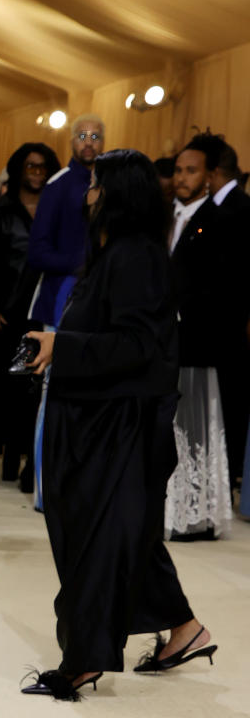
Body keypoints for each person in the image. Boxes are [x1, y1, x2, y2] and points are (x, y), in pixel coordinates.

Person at [21, 150, 215, 701]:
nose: (87, 196)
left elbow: (137, 346)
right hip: (101, 420)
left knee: (100, 542)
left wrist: (63, 345)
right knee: (127, 537)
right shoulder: (119, 253)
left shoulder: (136, 258)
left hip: (119, 427)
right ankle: (185, 630)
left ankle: (82, 662)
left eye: (94, 186)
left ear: (117, 195)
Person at [0, 142, 60, 490]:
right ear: (19, 169)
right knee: (11, 387)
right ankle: (9, 459)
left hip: (47, 314)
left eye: (42, 166)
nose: (36, 173)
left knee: (39, 388)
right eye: (30, 166)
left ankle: (32, 464)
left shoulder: (58, 210)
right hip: (12, 314)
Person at [28, 114, 105, 508]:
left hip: (97, 304)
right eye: (81, 136)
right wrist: (80, 263)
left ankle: (79, 484)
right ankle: (47, 488)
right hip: (60, 300)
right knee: (52, 392)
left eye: (95, 136)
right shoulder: (59, 186)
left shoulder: (108, 183)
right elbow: (37, 250)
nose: (88, 142)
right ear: (70, 141)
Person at [164, 142, 231, 539]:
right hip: (168, 338)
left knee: (196, 426)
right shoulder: (168, 215)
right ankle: (172, 507)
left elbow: (218, 285)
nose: (182, 177)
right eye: (178, 169)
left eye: (191, 171)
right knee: (171, 425)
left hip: (197, 337)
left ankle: (195, 513)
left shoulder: (214, 220)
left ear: (208, 177)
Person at [188, 133, 250, 489]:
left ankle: (225, 474)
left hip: (224, 323)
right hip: (219, 323)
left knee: (228, 400)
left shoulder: (235, 210)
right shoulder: (222, 208)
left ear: (211, 173)